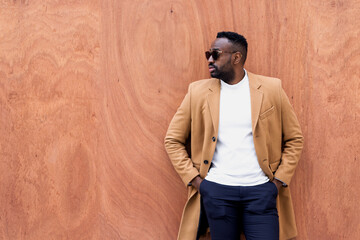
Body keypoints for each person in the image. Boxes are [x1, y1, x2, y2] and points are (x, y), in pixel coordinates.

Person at [164, 31, 303, 240]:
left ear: (236, 57)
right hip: (217, 192)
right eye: (208, 54)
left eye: (216, 54)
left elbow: (294, 138)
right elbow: (172, 140)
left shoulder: (271, 88)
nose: (210, 59)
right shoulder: (197, 92)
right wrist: (198, 183)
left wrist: (277, 183)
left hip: (261, 193)